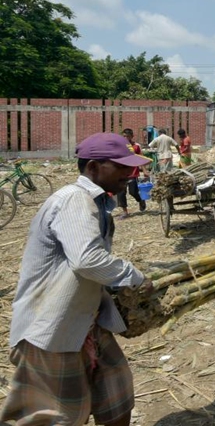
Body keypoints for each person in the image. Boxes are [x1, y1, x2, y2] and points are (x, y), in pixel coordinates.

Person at [1, 133, 154, 426]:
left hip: (87, 322)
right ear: (94, 167)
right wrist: (134, 277)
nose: (129, 173)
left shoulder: (97, 203)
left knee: (117, 396)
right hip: (52, 330)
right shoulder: (73, 199)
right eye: (120, 166)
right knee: (58, 418)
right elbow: (87, 260)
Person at [116, 128, 147, 219]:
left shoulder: (136, 146)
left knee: (133, 192)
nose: (125, 138)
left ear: (132, 137)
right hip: (121, 173)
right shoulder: (119, 146)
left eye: (127, 136)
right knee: (121, 193)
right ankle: (125, 212)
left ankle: (140, 200)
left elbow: (140, 158)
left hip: (133, 173)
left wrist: (144, 170)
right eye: (124, 136)